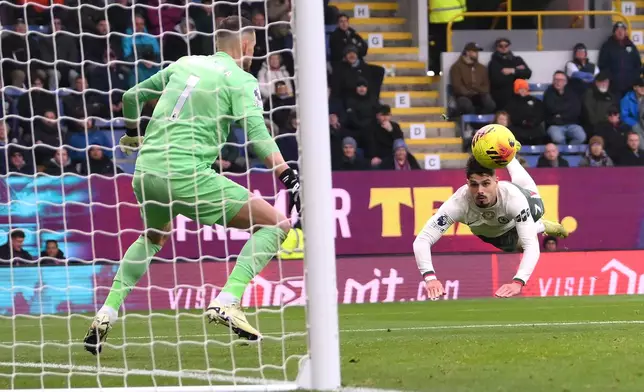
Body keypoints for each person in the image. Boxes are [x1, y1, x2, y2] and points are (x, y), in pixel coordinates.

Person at [83, 16, 301, 355]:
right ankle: (227, 301)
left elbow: (131, 95)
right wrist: (287, 174)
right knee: (276, 224)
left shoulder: (184, 63)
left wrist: (131, 135)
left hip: (146, 172)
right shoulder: (240, 80)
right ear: (245, 45)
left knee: (155, 236)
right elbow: (257, 134)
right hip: (186, 174)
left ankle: (106, 311)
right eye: (254, 46)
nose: (253, 52)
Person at [413, 156, 569, 300]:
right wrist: (430, 278)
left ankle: (539, 223)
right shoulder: (457, 203)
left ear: (496, 181)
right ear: (467, 184)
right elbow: (422, 240)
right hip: (494, 234)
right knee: (514, 246)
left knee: (537, 208)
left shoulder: (513, 199)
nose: (480, 190)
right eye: (474, 184)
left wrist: (518, 281)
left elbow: (532, 247)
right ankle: (539, 226)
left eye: (486, 183)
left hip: (518, 214)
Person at [449, 42, 495, 115]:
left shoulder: (482, 68)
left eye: (477, 52)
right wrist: (470, 93)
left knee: (490, 104)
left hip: (479, 95)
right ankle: (471, 124)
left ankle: (481, 122)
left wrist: (477, 90)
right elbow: (457, 86)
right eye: (474, 51)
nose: (477, 53)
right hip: (463, 96)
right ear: (467, 52)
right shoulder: (456, 67)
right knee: (466, 105)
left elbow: (486, 86)